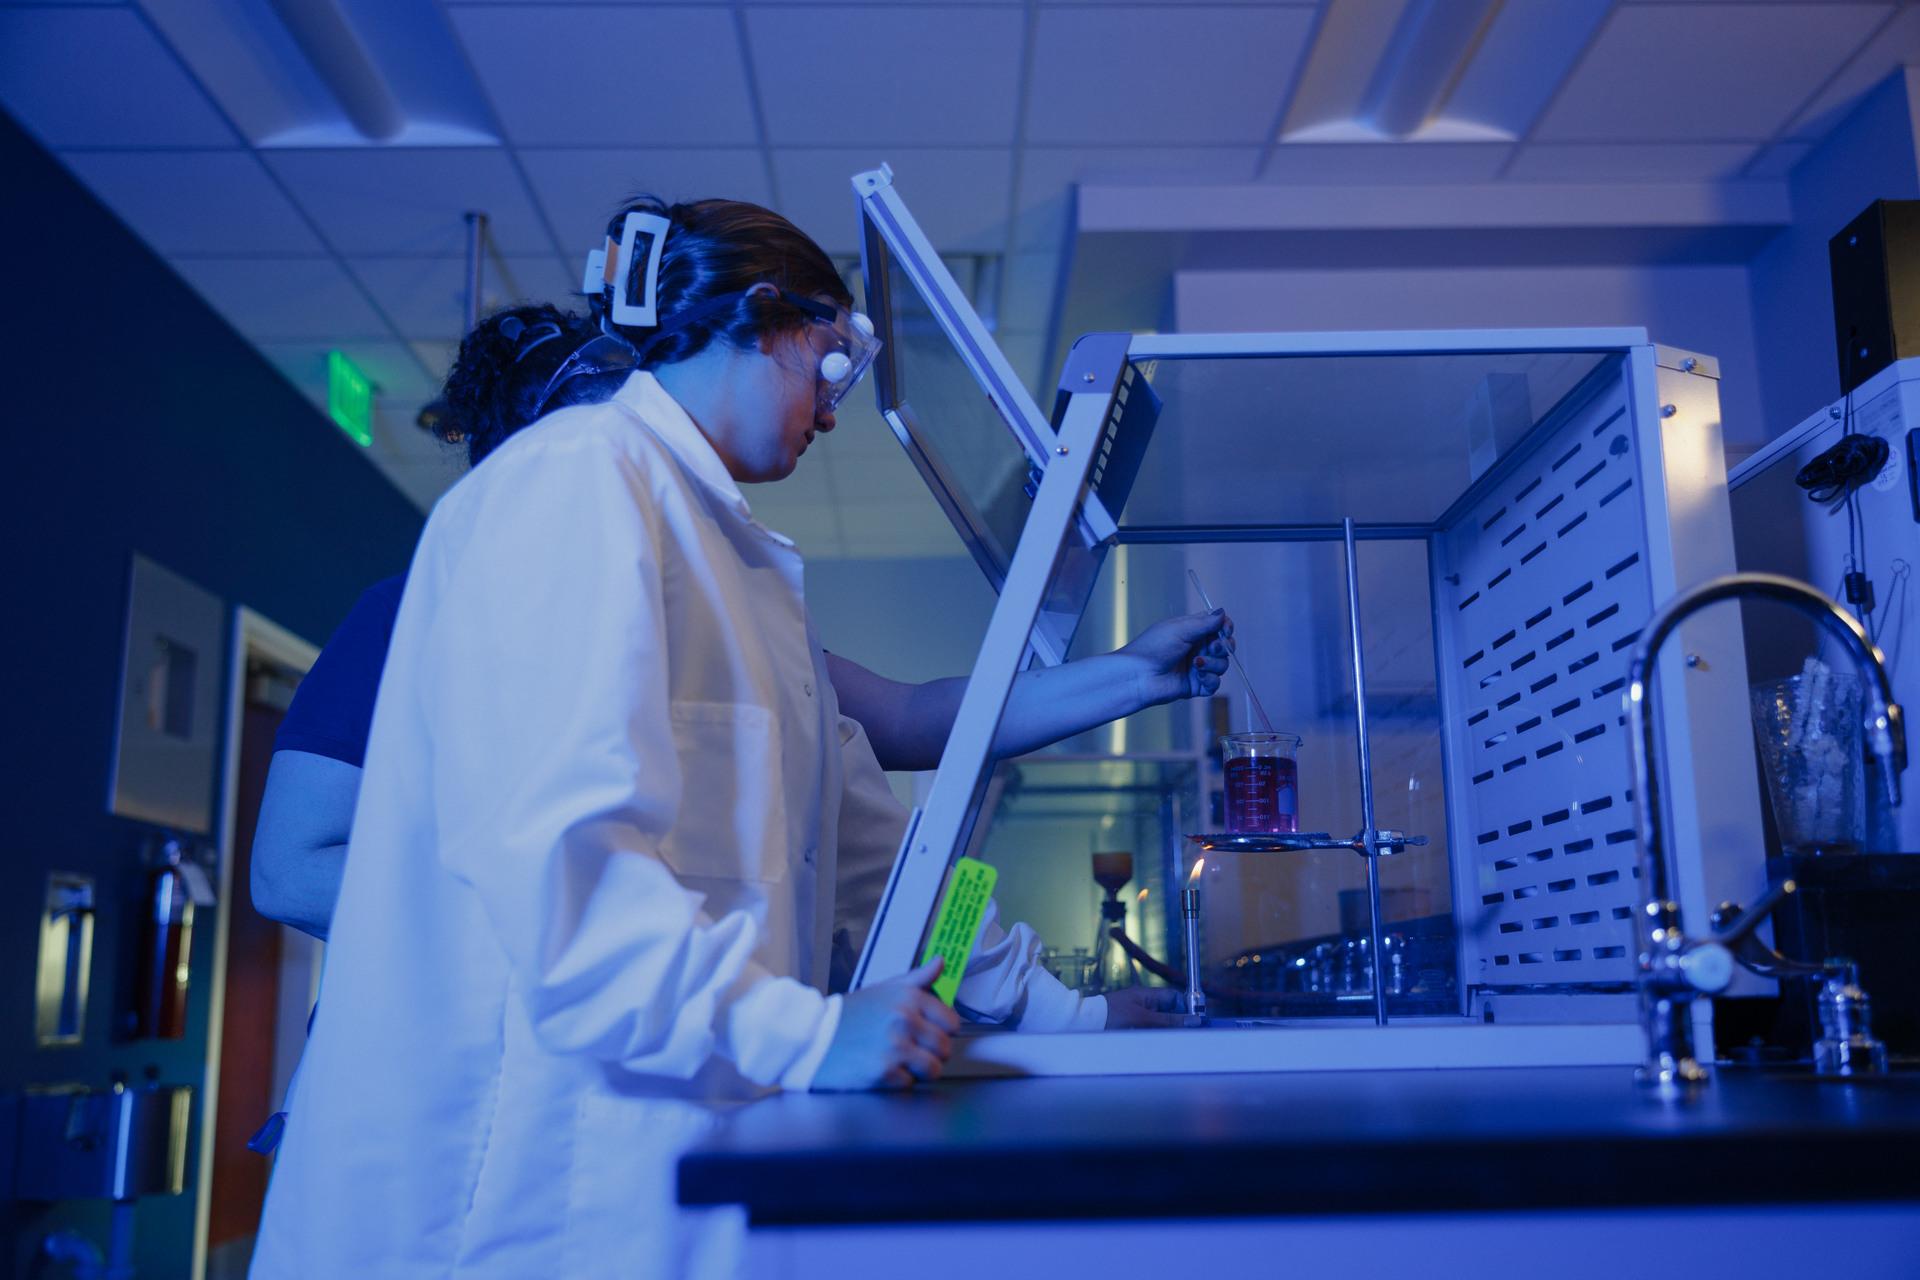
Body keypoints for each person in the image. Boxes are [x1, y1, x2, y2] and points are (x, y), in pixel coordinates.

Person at [246, 197, 1204, 1279]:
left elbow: (882, 851)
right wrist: (805, 1034)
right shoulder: (577, 484)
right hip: (508, 1198)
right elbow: (568, 866)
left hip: (675, 1179)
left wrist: (1064, 1015)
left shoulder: (751, 577)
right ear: (760, 313)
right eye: (829, 366)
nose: (833, 413)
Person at [253, 309, 1230, 1022]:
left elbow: (928, 723)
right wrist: (583, 923)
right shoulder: (415, 615)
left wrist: (1137, 675)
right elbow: (293, 870)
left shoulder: (728, 619)